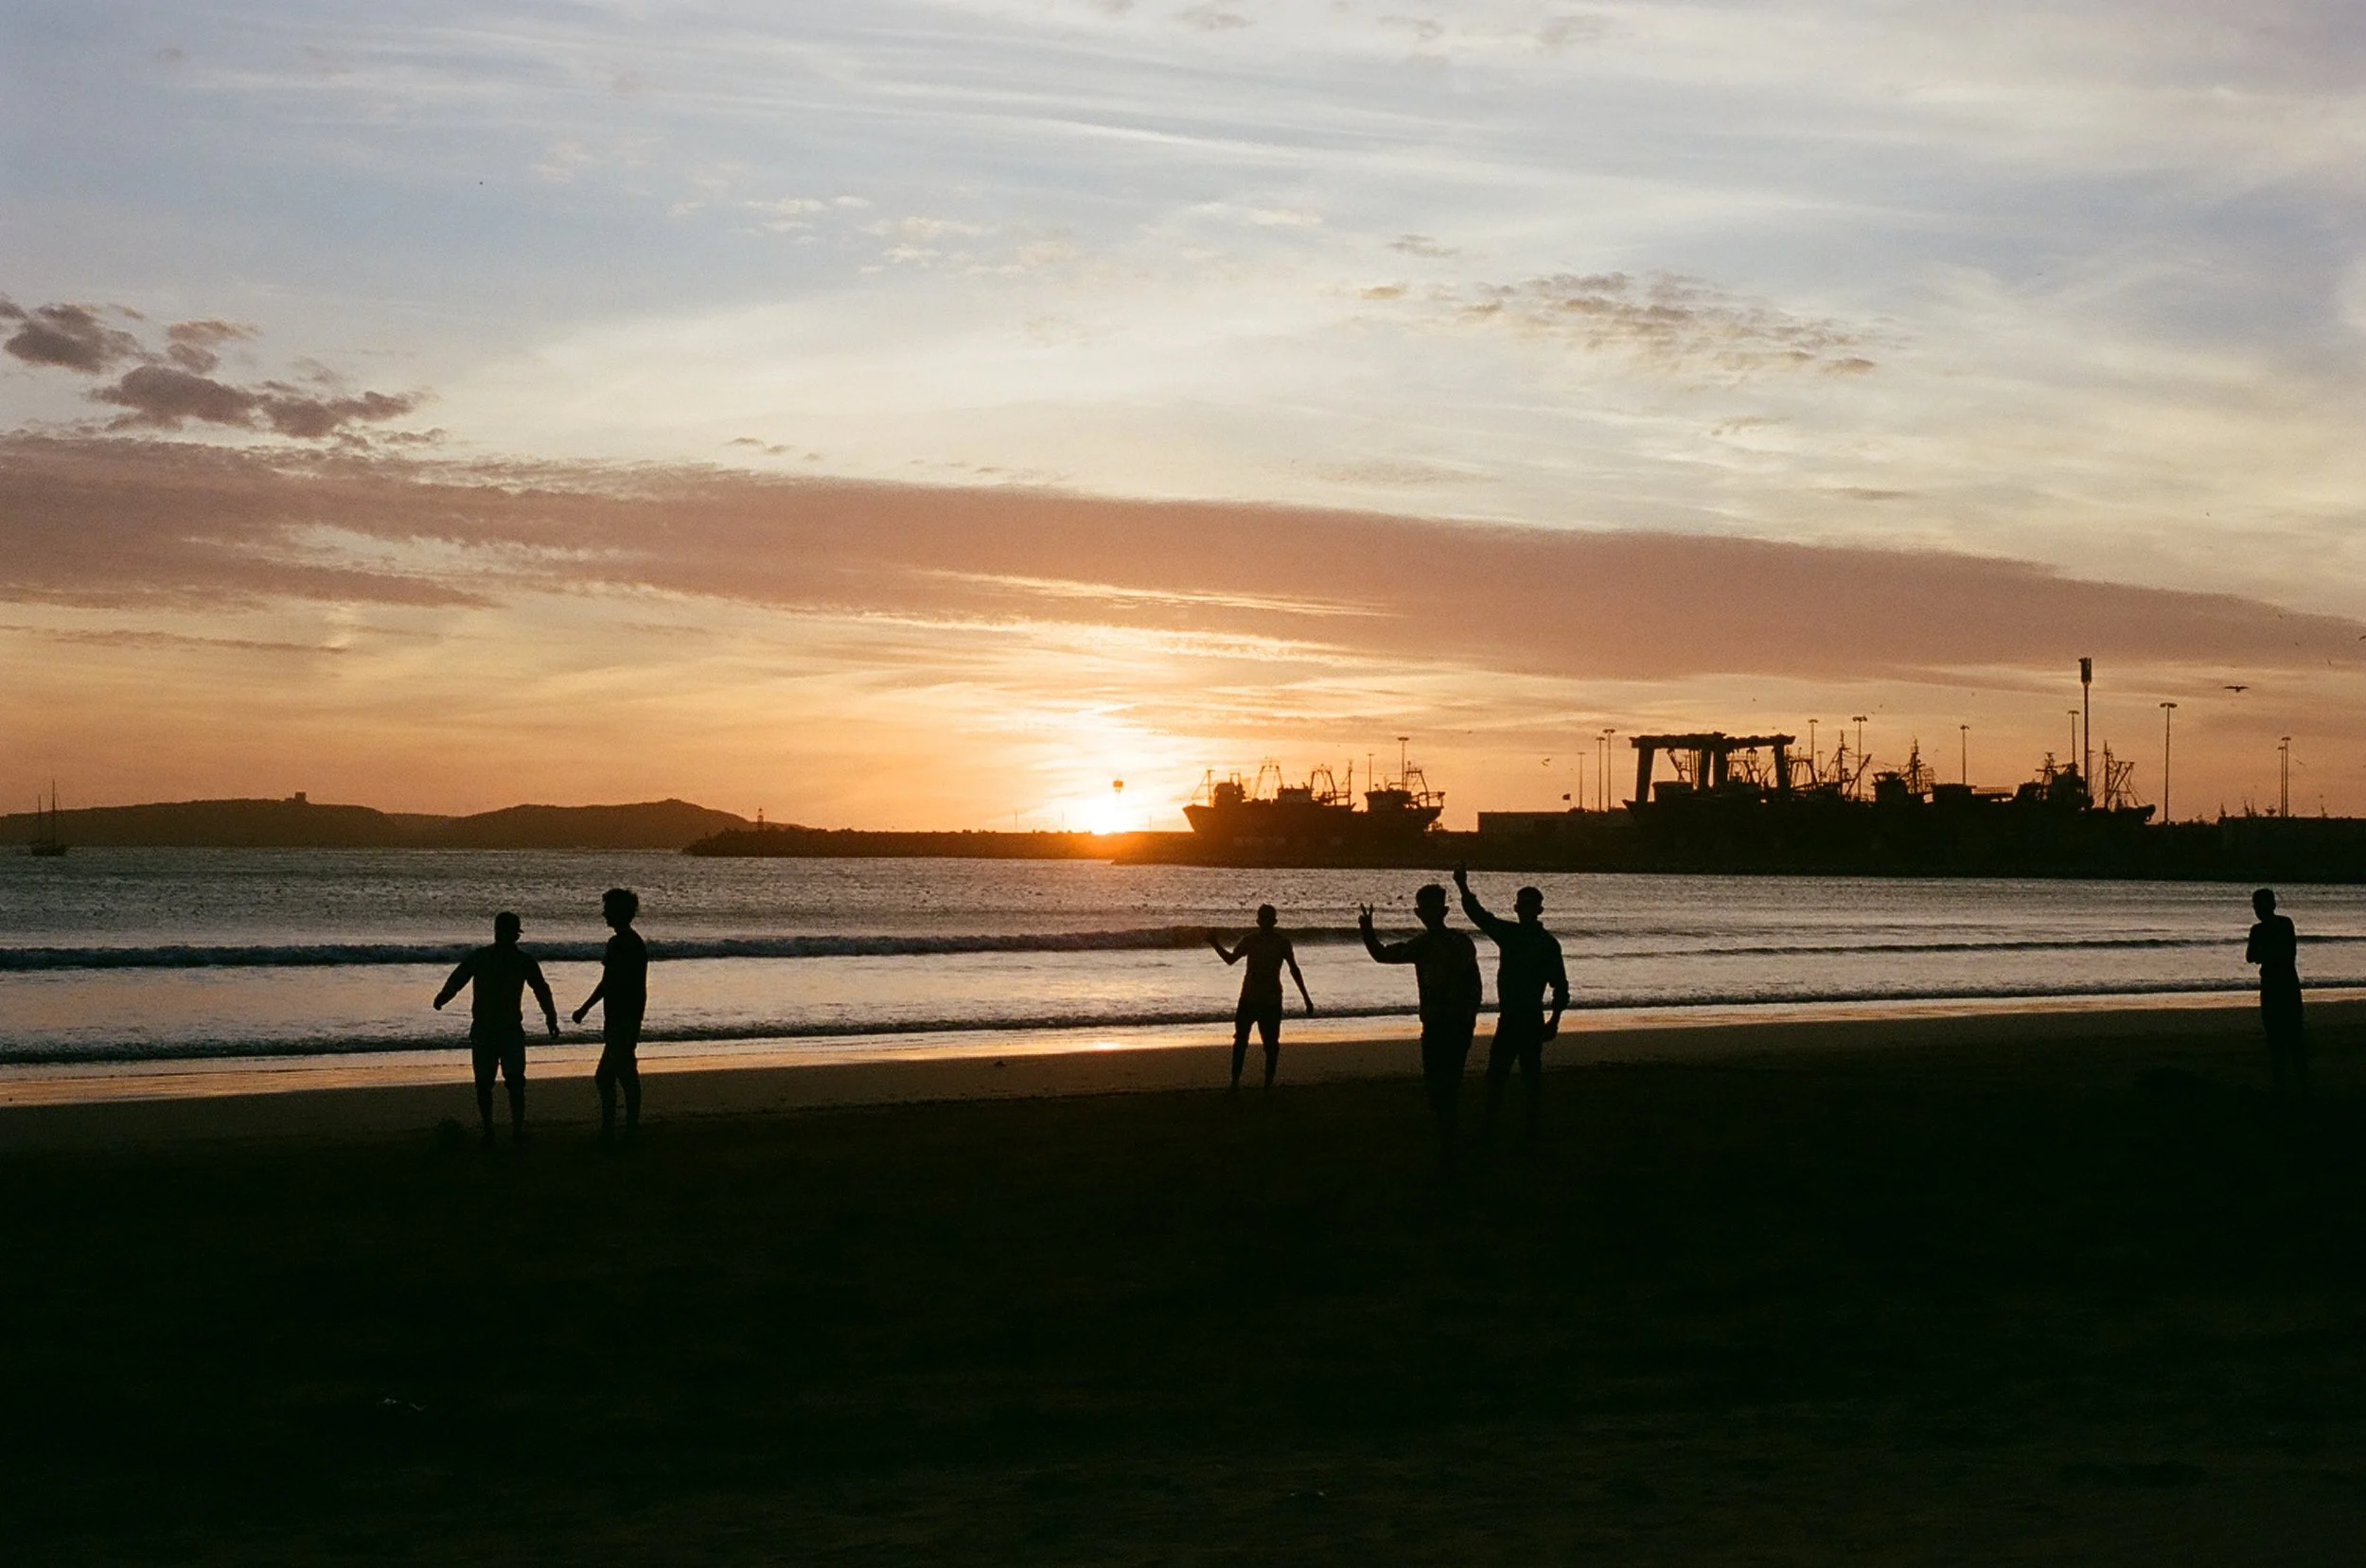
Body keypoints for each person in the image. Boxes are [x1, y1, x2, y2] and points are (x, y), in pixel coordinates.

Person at [1360, 884, 1483, 1155]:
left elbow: (1474, 983)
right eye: (1425, 908)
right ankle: (1447, 1134)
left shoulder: (1445, 944)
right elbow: (1383, 955)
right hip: (1441, 1022)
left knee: (1444, 1081)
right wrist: (1368, 932)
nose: (1427, 913)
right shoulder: (1438, 943)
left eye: (1430, 908)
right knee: (1442, 1081)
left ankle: (1447, 1138)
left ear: (1441, 911)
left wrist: (1469, 1016)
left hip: (1451, 1022)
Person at [1455, 865, 1568, 1147]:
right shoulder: (1520, 937)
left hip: (1528, 1018)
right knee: (1502, 1077)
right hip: (1515, 1018)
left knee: (1520, 1078)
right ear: (1518, 908)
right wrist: (1462, 886)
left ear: (1537, 910)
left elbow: (1560, 986)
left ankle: (1519, 1133)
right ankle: (1501, 1131)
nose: (1526, 909)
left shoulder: (1536, 941)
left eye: (1530, 905)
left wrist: (1554, 1020)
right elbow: (1479, 915)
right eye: (1523, 904)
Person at [434, 910, 560, 1142]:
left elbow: (541, 989)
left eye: (507, 932)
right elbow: (458, 978)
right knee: (486, 1083)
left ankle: (514, 1130)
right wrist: (444, 996)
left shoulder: (520, 961)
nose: (502, 936)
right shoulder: (485, 957)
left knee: (512, 1081)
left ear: (515, 935)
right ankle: (491, 1130)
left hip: (508, 1028)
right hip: (486, 1028)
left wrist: (551, 1015)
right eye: (500, 931)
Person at [1209, 905, 1314, 1092]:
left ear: (1274, 921)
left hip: (1271, 1001)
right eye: (1262, 918)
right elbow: (1231, 960)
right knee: (1240, 1043)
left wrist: (1306, 998)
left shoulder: (1283, 943)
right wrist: (1215, 944)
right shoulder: (1250, 941)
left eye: (1269, 919)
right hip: (1248, 998)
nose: (1265, 922)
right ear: (1258, 921)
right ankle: (1234, 1083)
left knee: (1271, 1046)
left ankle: (1268, 1085)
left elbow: (1294, 970)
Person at [573, 888, 649, 1141]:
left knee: (615, 1074)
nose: (604, 913)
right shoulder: (632, 942)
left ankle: (622, 1129)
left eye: (607, 909)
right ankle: (621, 1127)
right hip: (625, 1016)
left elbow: (609, 982)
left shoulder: (621, 944)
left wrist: (585, 1007)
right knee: (616, 1073)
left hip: (622, 1017)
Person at [2246, 887, 2306, 1099]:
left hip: (2273, 984)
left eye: (2256, 905)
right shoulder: (2285, 924)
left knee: (2275, 1035)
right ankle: (2302, 1085)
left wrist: (2265, 954)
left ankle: (2281, 1085)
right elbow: (2289, 952)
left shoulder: (2258, 931)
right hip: (2289, 982)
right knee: (2294, 1034)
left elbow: (2251, 956)